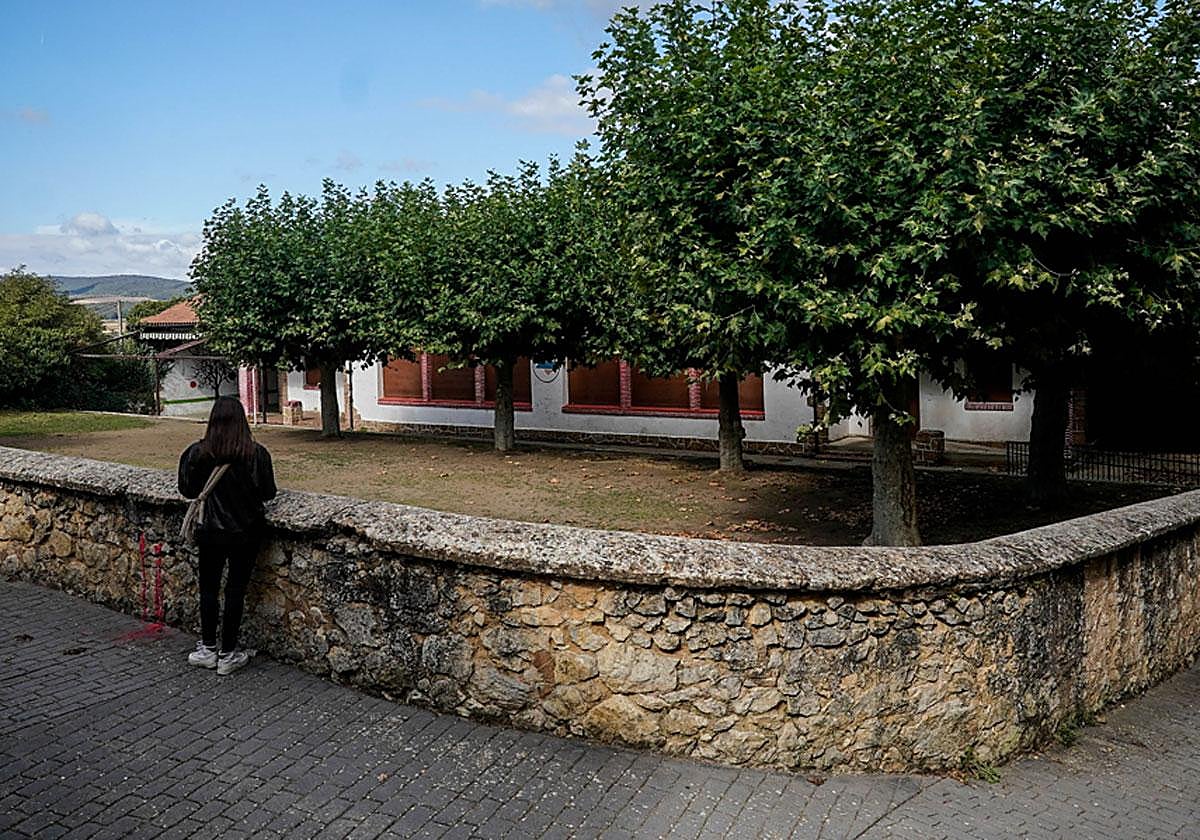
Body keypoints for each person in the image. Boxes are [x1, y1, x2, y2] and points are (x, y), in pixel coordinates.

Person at [178, 395, 277, 675]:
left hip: (209, 530)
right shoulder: (256, 454)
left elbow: (186, 490)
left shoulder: (197, 453)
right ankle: (228, 651)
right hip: (246, 531)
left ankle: (208, 648)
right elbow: (268, 492)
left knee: (208, 588)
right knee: (236, 590)